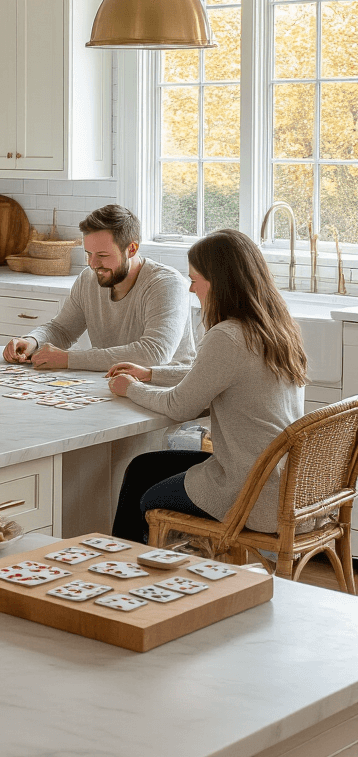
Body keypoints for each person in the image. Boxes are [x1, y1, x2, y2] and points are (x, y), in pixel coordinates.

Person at [109, 229, 307, 543]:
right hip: (283, 479)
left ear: (219, 282)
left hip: (250, 487)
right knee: (142, 469)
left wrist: (131, 388)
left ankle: (133, 576)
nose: (191, 288)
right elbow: (215, 374)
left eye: (195, 279)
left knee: (145, 499)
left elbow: (180, 406)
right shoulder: (275, 326)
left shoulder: (228, 335)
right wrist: (150, 373)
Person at [3, 204, 196, 373]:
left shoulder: (166, 284)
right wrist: (32, 341)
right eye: (88, 254)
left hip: (165, 394)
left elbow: (154, 353)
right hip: (111, 385)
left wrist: (68, 359)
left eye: (102, 255)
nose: (92, 264)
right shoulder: (89, 278)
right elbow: (62, 330)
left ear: (132, 249)